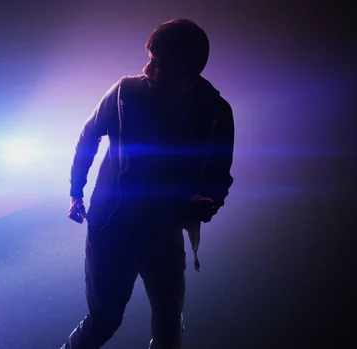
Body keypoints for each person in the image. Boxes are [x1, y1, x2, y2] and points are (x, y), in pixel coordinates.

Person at [62, 19, 235, 349]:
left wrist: (209, 202)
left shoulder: (215, 111)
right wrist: (75, 192)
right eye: (150, 59)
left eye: (158, 64)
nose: (148, 68)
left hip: (164, 232)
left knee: (169, 327)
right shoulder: (126, 92)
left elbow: (220, 175)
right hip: (112, 228)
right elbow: (88, 136)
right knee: (104, 320)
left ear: (188, 71)